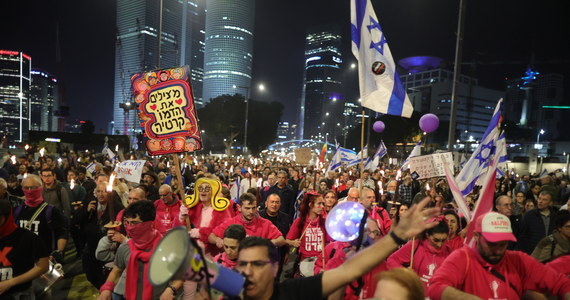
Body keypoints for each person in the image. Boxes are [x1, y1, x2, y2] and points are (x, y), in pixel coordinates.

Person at [193, 197, 440, 300]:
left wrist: (396, 236)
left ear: (275, 267)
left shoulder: (294, 292)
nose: (248, 271)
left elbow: (349, 270)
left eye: (257, 264)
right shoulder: (233, 289)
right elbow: (189, 265)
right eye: (243, 264)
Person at [428, 211, 570, 299]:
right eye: (491, 244)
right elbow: (436, 287)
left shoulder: (518, 260)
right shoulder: (462, 258)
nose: (497, 250)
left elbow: (560, 283)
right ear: (477, 236)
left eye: (503, 244)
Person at [97, 200, 183, 300]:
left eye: (134, 223)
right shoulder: (125, 248)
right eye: (126, 222)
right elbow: (116, 270)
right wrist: (107, 288)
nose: (129, 227)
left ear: (149, 224)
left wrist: (171, 289)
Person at [0, 199, 50, 299]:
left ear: (7, 217)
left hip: (19, 293)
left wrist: (10, 282)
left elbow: (43, 266)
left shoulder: (27, 237)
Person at [387, 220, 451, 290]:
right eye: (436, 240)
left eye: (443, 240)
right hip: (416, 294)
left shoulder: (448, 251)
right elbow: (391, 260)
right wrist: (404, 272)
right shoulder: (415, 245)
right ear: (427, 235)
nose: (439, 245)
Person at [210, 193, 285, 248]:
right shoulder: (231, 223)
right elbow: (211, 236)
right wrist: (218, 240)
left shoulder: (265, 223)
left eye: (253, 208)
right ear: (239, 208)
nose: (251, 212)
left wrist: (266, 244)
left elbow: (281, 240)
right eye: (247, 208)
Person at [285, 192, 329, 277]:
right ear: (310, 205)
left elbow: (329, 242)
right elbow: (287, 240)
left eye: (323, 204)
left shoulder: (324, 222)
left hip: (321, 261)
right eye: (319, 204)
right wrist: (294, 243)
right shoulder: (300, 221)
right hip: (304, 261)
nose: (322, 206)